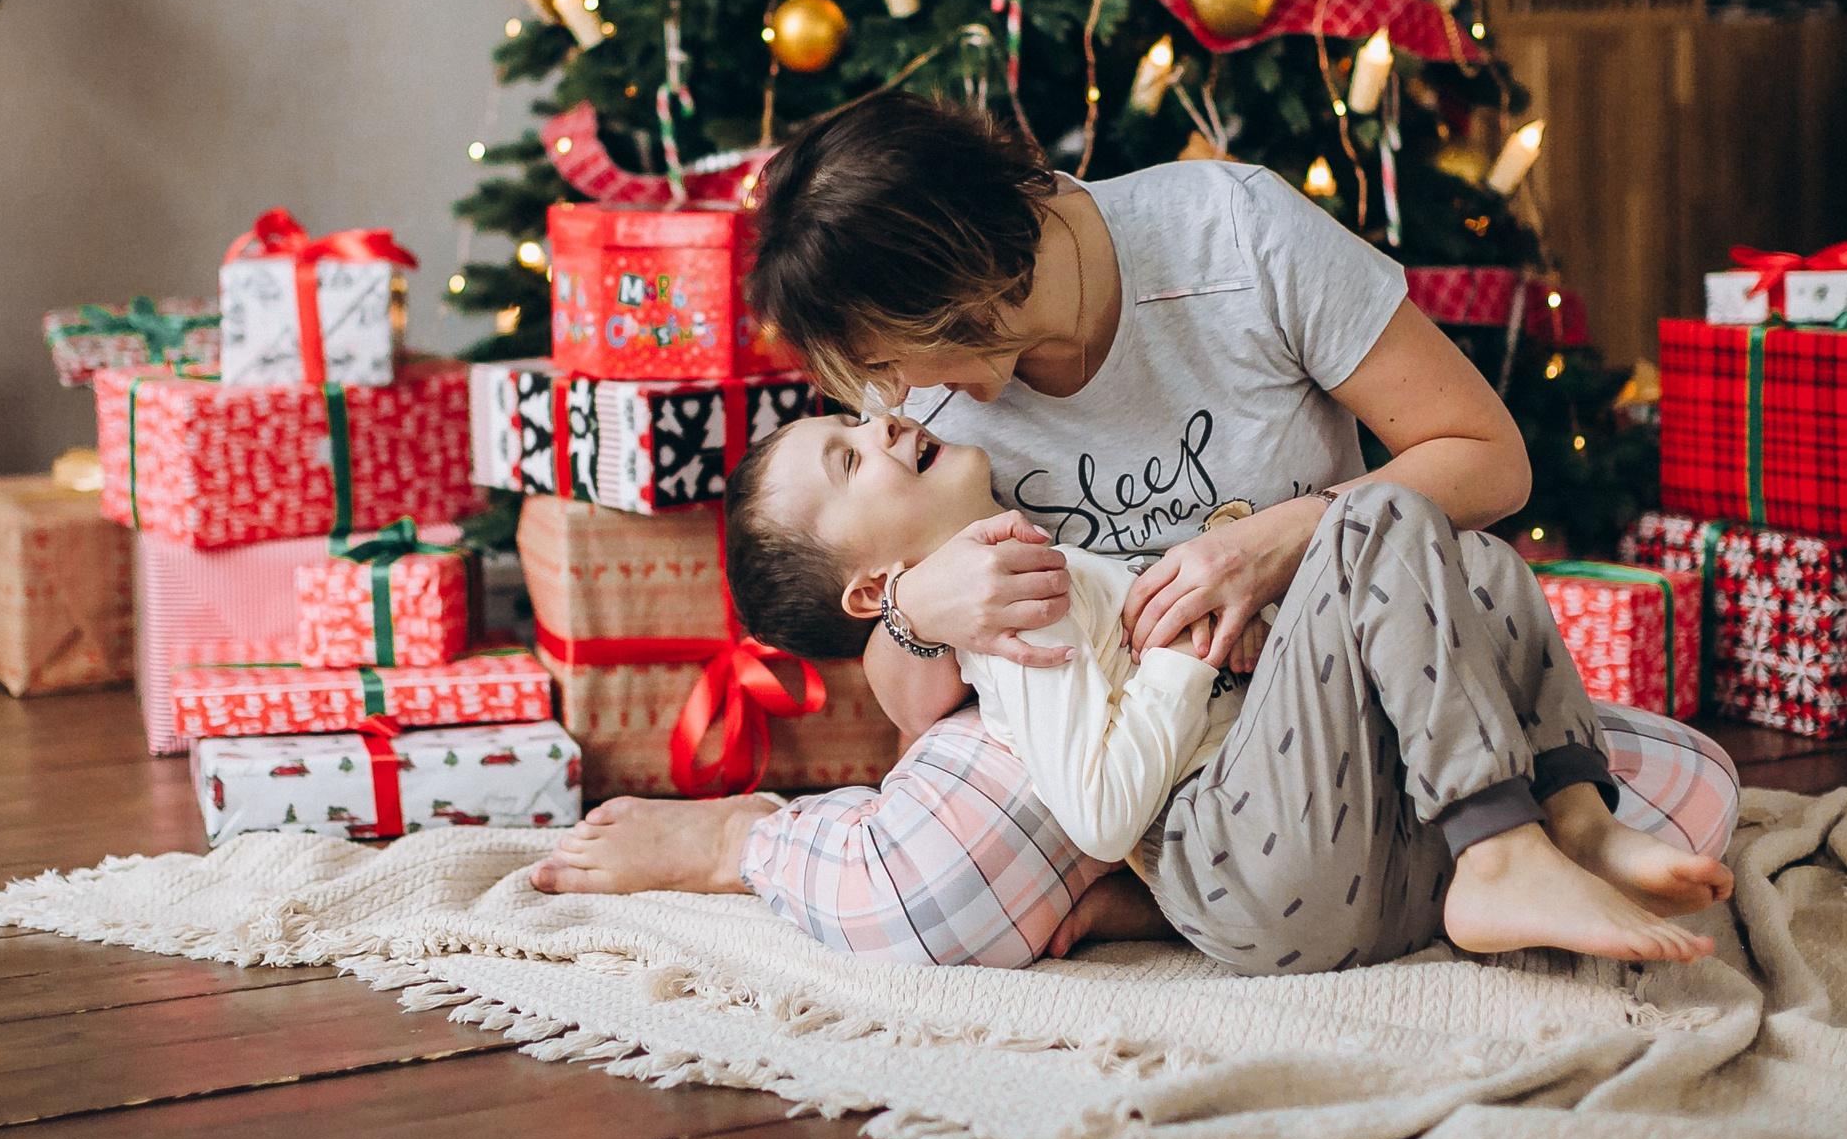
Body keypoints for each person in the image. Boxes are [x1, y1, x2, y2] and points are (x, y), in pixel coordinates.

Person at [530, 93, 1741, 969]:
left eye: (908, 362)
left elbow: (1489, 462)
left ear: (970, 288)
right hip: (1119, 755)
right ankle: (763, 842)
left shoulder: (1234, 240)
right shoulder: (930, 422)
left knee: (1694, 797)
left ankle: (1248, 897)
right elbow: (917, 707)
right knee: (925, 888)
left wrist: (1279, 540)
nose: (897, 406)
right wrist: (917, 607)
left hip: (1334, 689)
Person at [713, 410, 1723, 972]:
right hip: (1245, 868)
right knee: (1369, 520)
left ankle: (1565, 830)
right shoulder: (1020, 606)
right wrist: (1183, 663)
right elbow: (1101, 815)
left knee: (1477, 563)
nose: (884, 422)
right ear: (872, 589)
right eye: (850, 456)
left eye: (853, 419)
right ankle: (1503, 853)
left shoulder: (1043, 567)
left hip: (1354, 858)